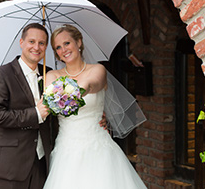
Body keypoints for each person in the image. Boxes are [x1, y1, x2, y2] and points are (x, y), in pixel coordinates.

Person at [43, 24, 147, 189]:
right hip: (67, 150)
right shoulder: (51, 76)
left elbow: (92, 84)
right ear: (56, 54)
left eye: (67, 43)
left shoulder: (98, 70)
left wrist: (74, 92)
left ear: (79, 42)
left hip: (99, 148)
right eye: (58, 47)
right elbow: (50, 106)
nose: (64, 49)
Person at [0, 23, 55, 189]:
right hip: (11, 163)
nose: (36, 47)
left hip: (42, 161)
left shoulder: (50, 74)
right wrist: (35, 114)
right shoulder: (2, 74)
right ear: (21, 42)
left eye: (42, 43)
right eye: (31, 41)